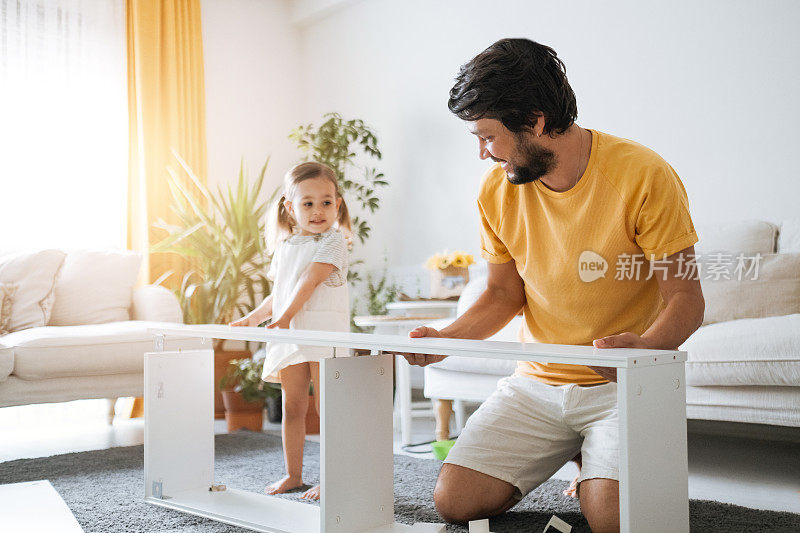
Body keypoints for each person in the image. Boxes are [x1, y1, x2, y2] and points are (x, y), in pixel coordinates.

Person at [399, 39, 704, 532]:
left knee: (617, 521)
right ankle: (582, 456)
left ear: (536, 121)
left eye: (488, 137)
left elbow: (687, 298)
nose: (482, 153)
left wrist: (645, 349)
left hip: (619, 387)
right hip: (537, 383)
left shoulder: (644, 173)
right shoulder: (496, 189)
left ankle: (596, 465)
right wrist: (446, 337)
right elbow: (503, 295)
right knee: (455, 502)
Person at [230, 161, 351, 501]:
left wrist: (282, 319)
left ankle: (333, 477)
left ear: (337, 204)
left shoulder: (335, 240)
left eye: (326, 202)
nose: (317, 211)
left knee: (327, 410)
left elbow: (309, 282)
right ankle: (293, 474)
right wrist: (255, 317)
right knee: (293, 407)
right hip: (291, 335)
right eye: (307, 203)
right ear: (290, 207)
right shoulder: (285, 247)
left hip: (322, 333)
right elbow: (280, 291)